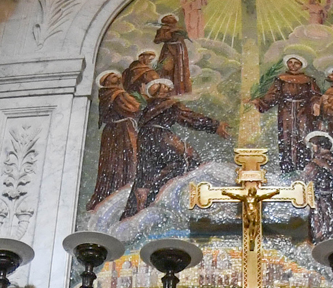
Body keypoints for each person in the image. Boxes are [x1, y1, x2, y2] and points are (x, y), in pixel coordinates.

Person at [126, 78, 228, 218]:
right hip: (160, 136)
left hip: (144, 139)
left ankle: (140, 203)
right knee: (189, 159)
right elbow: (190, 118)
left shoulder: (148, 108)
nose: (167, 90)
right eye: (164, 87)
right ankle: (162, 196)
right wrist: (214, 125)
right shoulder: (169, 104)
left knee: (147, 169)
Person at [251, 56, 322, 174]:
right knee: (285, 138)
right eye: (290, 62)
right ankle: (287, 168)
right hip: (285, 111)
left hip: (304, 112)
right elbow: (273, 95)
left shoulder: (309, 80)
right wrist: (260, 102)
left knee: (303, 137)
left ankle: (303, 168)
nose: (293, 65)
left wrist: (316, 103)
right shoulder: (280, 79)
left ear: (301, 65)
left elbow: (315, 95)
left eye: (296, 63)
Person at [86, 70, 140, 212]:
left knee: (112, 162)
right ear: (107, 81)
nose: (117, 77)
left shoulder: (105, 94)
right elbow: (134, 108)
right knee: (129, 156)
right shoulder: (118, 94)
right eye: (112, 76)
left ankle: (113, 187)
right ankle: (126, 186)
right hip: (123, 130)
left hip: (110, 132)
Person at [154, 12, 191, 93]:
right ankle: (164, 88)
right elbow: (157, 40)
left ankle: (179, 89)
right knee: (165, 67)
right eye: (166, 24)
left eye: (171, 23)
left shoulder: (179, 29)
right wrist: (166, 33)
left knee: (179, 67)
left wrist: (175, 31)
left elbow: (184, 35)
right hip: (168, 49)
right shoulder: (162, 30)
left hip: (179, 49)